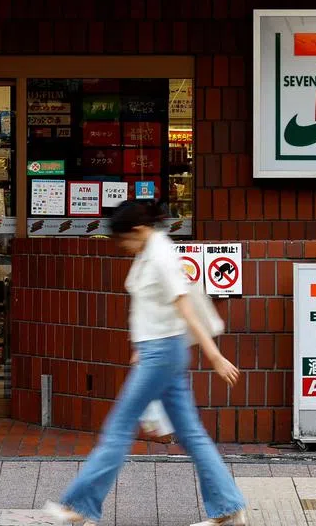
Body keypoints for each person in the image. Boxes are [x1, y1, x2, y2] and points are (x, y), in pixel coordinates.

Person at [45, 201, 247, 526]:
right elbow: (156, 308)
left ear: (139, 230)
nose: (124, 248)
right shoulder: (149, 251)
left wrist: (214, 355)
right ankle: (227, 507)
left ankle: (80, 507)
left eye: (125, 240)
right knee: (191, 434)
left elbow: (186, 308)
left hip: (162, 354)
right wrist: (141, 345)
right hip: (158, 351)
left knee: (118, 428)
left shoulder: (161, 256)